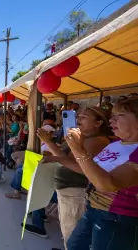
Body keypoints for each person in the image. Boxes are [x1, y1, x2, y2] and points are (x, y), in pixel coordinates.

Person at [65, 98, 138, 250]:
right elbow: (91, 170)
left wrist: (79, 150)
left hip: (118, 217)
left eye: (121, 115)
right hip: (94, 208)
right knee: (74, 246)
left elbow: (108, 184)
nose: (112, 119)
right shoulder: (115, 143)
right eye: (113, 115)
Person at [39, 107, 111, 248]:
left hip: (76, 192)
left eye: (84, 117)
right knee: (68, 231)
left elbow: (83, 169)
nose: (78, 120)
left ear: (98, 123)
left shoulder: (96, 141)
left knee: (72, 236)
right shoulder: (82, 137)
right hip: (68, 191)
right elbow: (65, 157)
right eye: (78, 117)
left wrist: (57, 159)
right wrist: (48, 142)